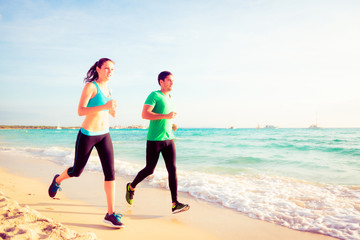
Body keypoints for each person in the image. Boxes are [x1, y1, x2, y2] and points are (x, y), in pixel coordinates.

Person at [48, 58, 124, 228]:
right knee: (76, 171)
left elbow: (104, 109)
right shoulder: (91, 86)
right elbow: (81, 110)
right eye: (106, 68)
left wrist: (111, 110)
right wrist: (105, 106)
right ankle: (58, 180)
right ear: (98, 69)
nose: (110, 72)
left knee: (110, 173)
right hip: (88, 134)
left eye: (112, 69)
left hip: (104, 135)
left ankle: (110, 214)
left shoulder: (108, 88)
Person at [125, 71, 190, 214]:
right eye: (169, 80)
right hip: (154, 139)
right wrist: (166, 116)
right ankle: (131, 187)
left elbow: (165, 118)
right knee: (149, 169)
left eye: (173, 80)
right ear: (161, 81)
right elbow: (145, 114)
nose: (172, 83)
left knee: (172, 169)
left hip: (168, 138)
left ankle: (175, 203)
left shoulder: (170, 97)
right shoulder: (154, 95)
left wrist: (170, 123)